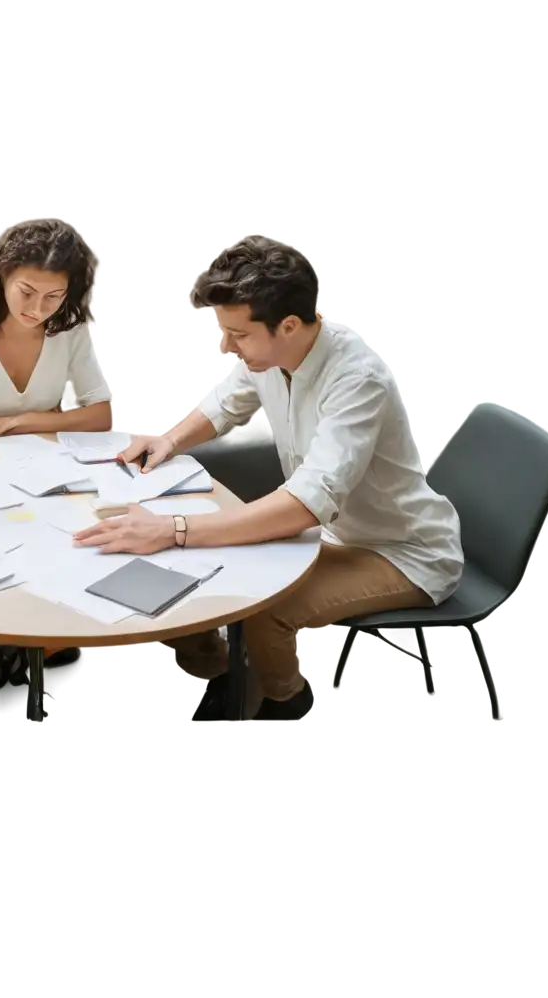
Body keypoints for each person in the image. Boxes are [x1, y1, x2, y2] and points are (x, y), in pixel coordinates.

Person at [73, 234, 464, 723]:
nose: (226, 348)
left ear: (290, 325)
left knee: (264, 607)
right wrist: (169, 440)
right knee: (197, 565)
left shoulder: (358, 378)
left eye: (238, 335)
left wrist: (172, 528)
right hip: (337, 531)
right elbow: (224, 402)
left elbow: (306, 503)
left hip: (403, 552)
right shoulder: (275, 351)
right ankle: (228, 675)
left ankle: (285, 706)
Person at [0, 220, 115, 441]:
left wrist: (21, 422)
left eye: (53, 296)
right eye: (27, 292)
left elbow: (102, 415)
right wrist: (25, 423)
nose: (37, 309)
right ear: (4, 275)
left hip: (43, 457)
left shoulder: (69, 329)